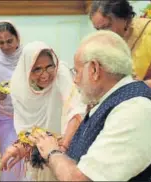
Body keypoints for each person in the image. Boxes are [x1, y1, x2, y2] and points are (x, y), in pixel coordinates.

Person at [27, 30, 151, 181]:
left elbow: (81, 179)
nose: (75, 80)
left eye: (77, 72)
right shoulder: (110, 99)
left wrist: (52, 152)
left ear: (94, 69)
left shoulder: (133, 110)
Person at [0, 41, 86, 181]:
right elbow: (27, 130)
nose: (45, 74)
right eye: (37, 69)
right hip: (37, 152)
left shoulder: (61, 73)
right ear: (27, 70)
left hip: (68, 146)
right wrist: (20, 148)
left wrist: (60, 150)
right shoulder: (19, 87)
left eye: (49, 67)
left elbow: (76, 111)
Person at [0, 20, 24, 181]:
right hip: (7, 117)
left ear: (17, 38)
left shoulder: (28, 56)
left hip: (30, 115)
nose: (6, 46)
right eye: (0, 42)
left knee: (29, 157)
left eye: (9, 41)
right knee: (9, 155)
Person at [89, 0, 151, 82]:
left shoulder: (148, 31)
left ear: (124, 18)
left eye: (106, 26)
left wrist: (142, 85)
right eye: (98, 29)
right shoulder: (105, 44)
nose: (103, 33)